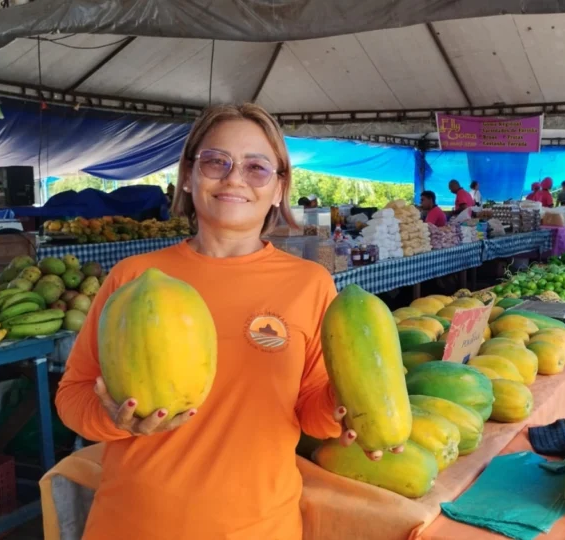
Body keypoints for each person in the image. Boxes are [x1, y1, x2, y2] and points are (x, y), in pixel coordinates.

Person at [55, 104, 398, 540]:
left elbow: (313, 409)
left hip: (258, 527)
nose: (235, 178)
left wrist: (350, 406)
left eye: (257, 167)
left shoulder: (310, 284)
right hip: (134, 523)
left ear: (279, 188)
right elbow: (73, 397)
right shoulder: (133, 278)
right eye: (217, 161)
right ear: (187, 174)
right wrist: (113, 420)